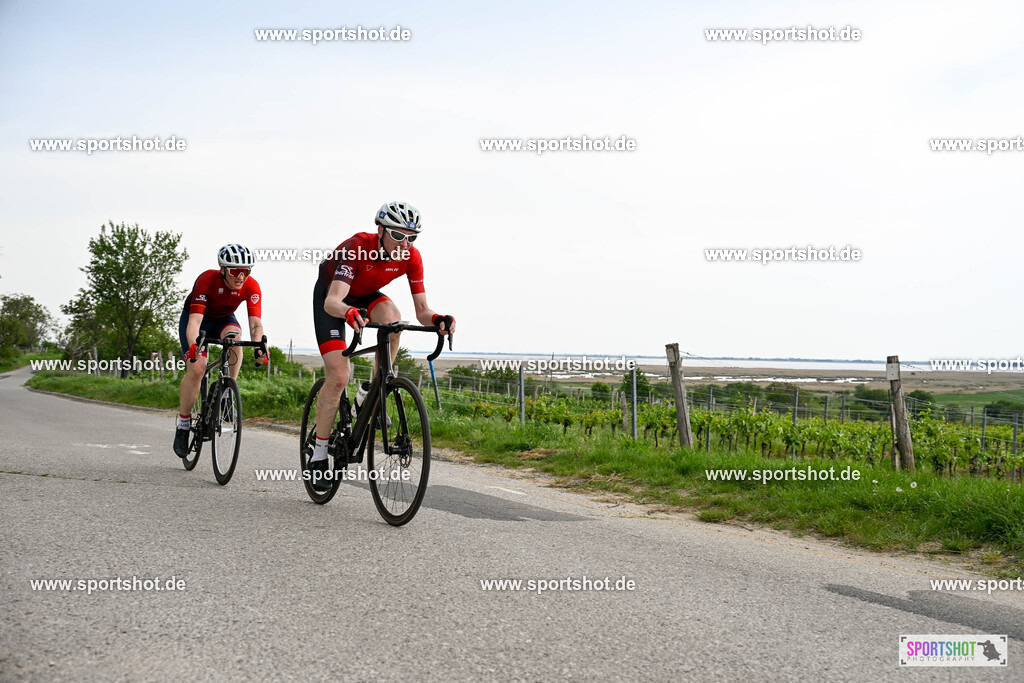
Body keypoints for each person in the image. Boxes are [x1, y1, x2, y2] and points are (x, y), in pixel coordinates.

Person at [307, 201, 454, 490]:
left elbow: (422, 311)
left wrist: (438, 319)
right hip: (332, 298)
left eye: (411, 238)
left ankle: (374, 389)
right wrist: (348, 312)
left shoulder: (411, 257)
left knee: (393, 320)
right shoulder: (357, 248)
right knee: (339, 377)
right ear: (381, 231)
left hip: (365, 295)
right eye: (398, 236)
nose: (404, 244)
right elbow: (333, 301)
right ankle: (319, 453)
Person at [173, 244, 268, 457]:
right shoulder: (207, 280)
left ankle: (226, 390)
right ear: (223, 269)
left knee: (235, 340)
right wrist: (195, 348)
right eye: (235, 270)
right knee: (198, 368)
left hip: (223, 320)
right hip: (197, 319)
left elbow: (255, 324)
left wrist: (259, 347)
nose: (241, 276)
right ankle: (184, 424)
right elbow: (194, 323)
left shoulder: (251, 286)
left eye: (246, 271)